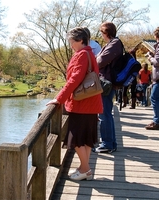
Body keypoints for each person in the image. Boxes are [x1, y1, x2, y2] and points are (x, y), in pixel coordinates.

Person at [46, 27, 103, 180]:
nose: (70, 44)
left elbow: (74, 80)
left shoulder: (82, 55)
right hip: (90, 102)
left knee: (76, 138)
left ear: (79, 40)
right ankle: (83, 168)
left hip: (81, 104)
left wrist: (59, 99)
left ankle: (85, 169)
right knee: (86, 138)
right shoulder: (90, 53)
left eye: (71, 41)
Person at [93, 22, 123, 153]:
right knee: (105, 113)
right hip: (107, 82)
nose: (101, 35)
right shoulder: (114, 43)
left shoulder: (114, 44)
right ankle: (111, 143)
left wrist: (94, 59)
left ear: (106, 32)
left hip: (107, 83)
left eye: (102, 32)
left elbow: (100, 62)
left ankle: (107, 144)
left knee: (103, 113)